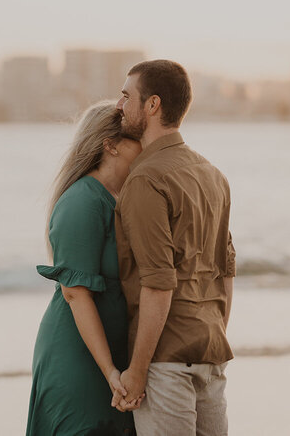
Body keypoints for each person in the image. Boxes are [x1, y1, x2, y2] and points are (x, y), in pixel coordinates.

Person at [112, 60, 236, 436]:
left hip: (167, 364)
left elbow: (158, 284)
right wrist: (210, 336)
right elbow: (226, 271)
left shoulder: (146, 179)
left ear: (152, 105)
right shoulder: (212, 174)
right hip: (210, 353)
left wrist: (136, 372)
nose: (119, 106)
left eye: (126, 96)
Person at [26, 101, 145, 436]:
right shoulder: (82, 201)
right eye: (139, 138)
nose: (148, 144)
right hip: (81, 356)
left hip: (115, 356)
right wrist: (109, 371)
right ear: (110, 145)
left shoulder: (126, 198)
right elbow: (76, 295)